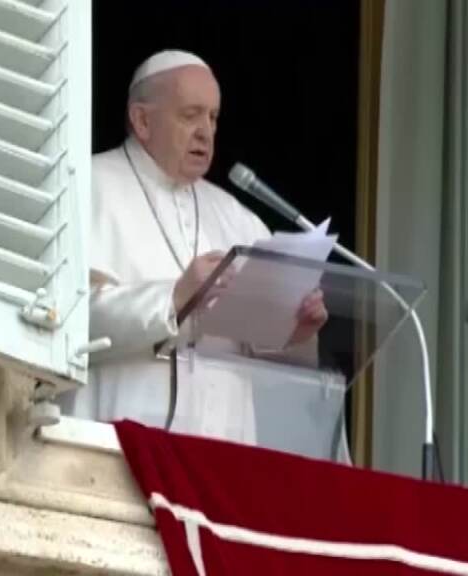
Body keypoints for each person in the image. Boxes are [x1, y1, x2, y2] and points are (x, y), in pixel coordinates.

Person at [65, 50, 328, 445]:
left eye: (213, 117)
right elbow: (65, 320)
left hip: (223, 451)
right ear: (142, 120)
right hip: (118, 443)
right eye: (190, 115)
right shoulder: (86, 186)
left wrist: (295, 333)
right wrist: (174, 299)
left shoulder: (236, 217)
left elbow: (264, 360)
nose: (206, 132)